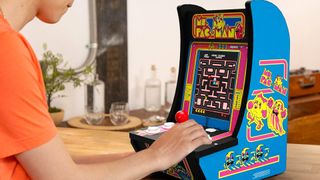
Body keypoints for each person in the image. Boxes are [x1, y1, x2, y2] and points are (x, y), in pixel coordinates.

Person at [0, 0, 211, 179]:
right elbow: (63, 176)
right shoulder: (7, 49)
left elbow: (54, 163)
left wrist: (146, 158)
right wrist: (156, 157)